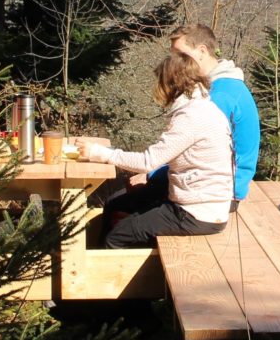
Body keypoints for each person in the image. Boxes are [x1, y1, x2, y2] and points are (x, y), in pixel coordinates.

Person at [73, 54, 233, 249]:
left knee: (116, 237)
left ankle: (112, 277)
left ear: (171, 83)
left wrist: (100, 153)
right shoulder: (206, 109)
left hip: (195, 213)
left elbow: (148, 161)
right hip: (205, 207)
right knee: (116, 206)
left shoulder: (191, 117)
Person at [170, 24, 259, 211]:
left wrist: (151, 174)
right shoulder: (221, 86)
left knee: (120, 208)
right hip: (215, 184)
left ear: (201, 51)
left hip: (219, 192)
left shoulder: (220, 95)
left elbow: (195, 151)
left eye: (180, 54)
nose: (174, 61)